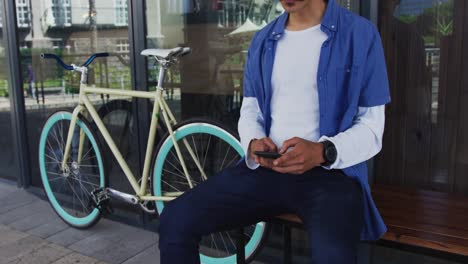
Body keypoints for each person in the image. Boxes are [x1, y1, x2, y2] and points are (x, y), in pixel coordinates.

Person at [158, 0, 391, 263]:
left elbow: (372, 128)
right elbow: (250, 110)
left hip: (331, 178)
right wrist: (253, 141)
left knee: (333, 257)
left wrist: (323, 151)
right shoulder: (263, 40)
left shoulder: (360, 34)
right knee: (175, 220)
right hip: (267, 171)